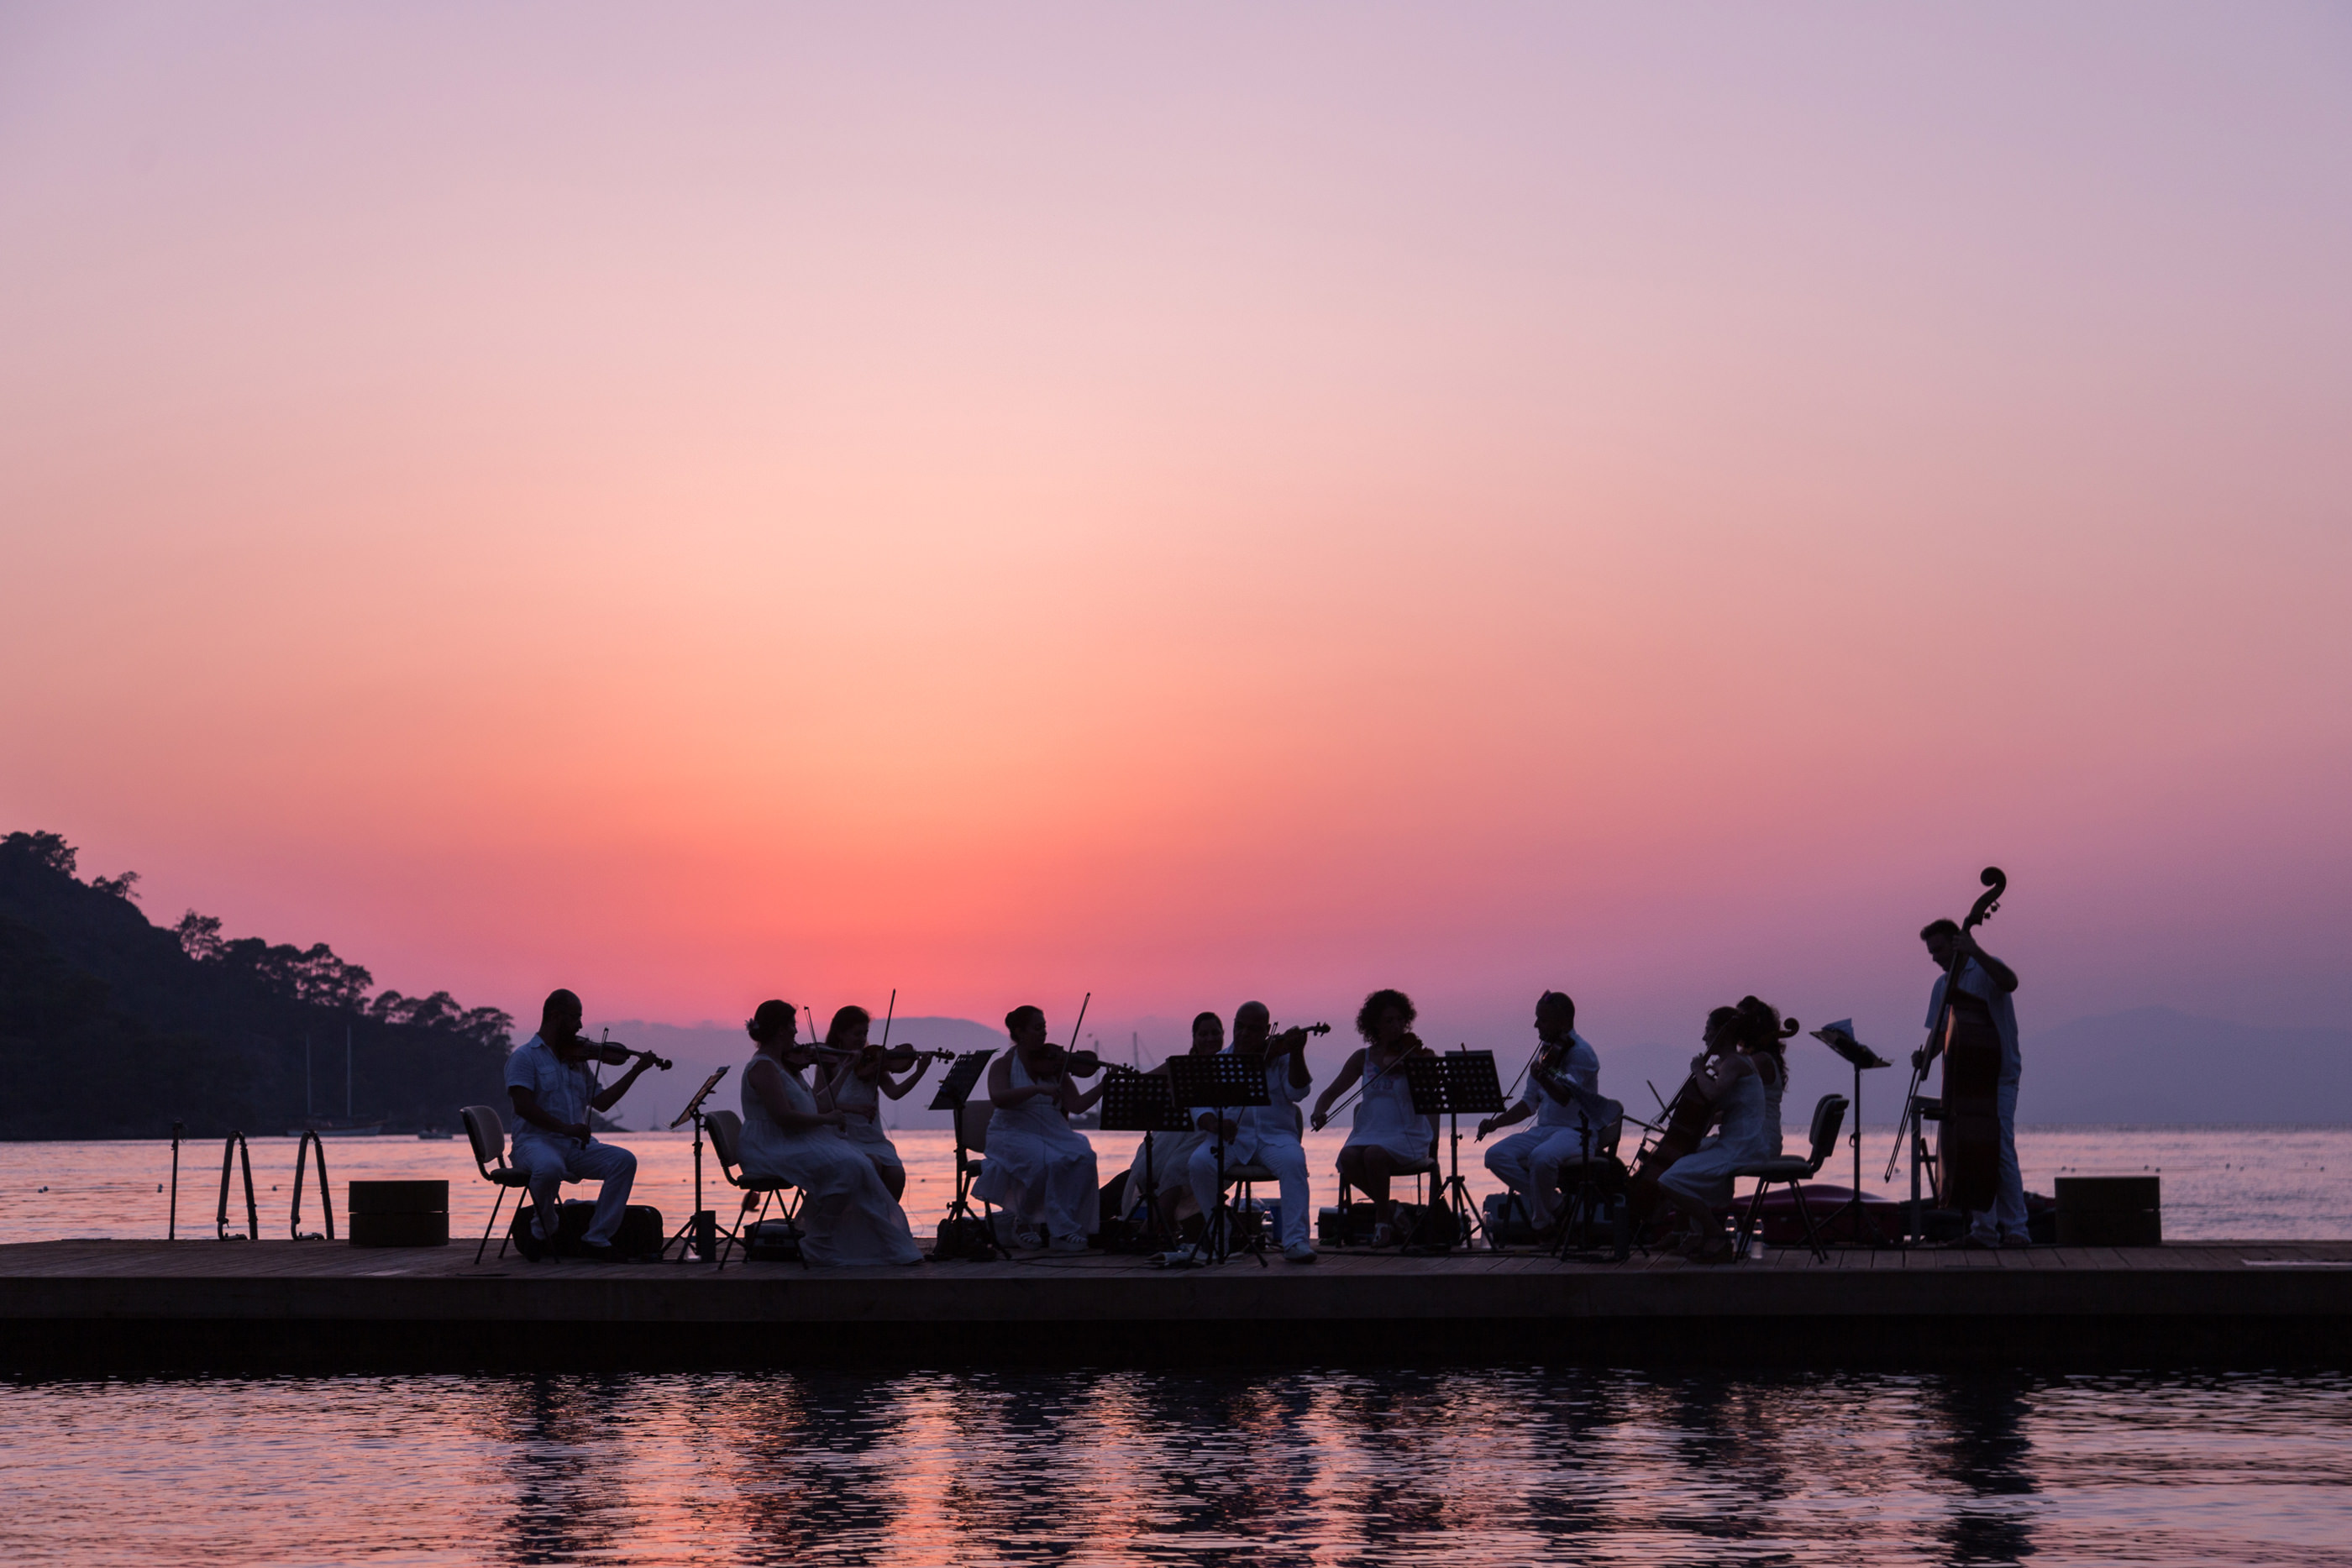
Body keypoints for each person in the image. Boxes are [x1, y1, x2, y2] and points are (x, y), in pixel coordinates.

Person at [737, 999, 923, 1266]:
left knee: (858, 1163)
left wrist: (845, 1070)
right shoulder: (764, 1067)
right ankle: (819, 1239)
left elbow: (818, 1102)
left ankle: (834, 1234)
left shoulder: (785, 1067)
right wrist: (826, 1118)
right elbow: (783, 1117)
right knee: (851, 1165)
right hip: (770, 1145)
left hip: (788, 1140)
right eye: (792, 1025)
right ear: (780, 1030)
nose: (796, 1032)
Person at [502, 988, 654, 1261]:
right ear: (555, 1016)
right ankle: (544, 1227)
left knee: (623, 1161)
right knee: (549, 1168)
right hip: (533, 1143)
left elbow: (602, 1102)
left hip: (573, 1144)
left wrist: (635, 1071)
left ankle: (596, 1238)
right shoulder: (525, 1057)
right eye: (574, 1018)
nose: (581, 1026)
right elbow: (523, 1107)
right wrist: (564, 1128)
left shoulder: (577, 1061)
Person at [1178, 1002, 1320, 1266]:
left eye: (1253, 1030)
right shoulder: (1219, 1062)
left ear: (1267, 1030)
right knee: (1198, 1164)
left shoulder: (1281, 1057)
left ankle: (1296, 1242)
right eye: (1239, 1027)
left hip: (1275, 1138)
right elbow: (1200, 1106)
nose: (1243, 1034)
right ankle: (1220, 1238)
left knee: (1294, 1162)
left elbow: (1298, 1092)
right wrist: (1216, 1125)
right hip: (1231, 1139)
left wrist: (1297, 1052)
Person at [1916, 918, 2026, 1247]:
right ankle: (1984, 1230)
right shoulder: (1941, 985)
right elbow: (1938, 1037)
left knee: (2000, 1148)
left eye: (1937, 949)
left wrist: (1975, 950)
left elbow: (2010, 982)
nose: (1934, 957)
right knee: (1972, 1149)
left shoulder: (1985, 969)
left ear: (1955, 943)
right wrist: (1924, 1057)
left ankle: (2018, 1230)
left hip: (1999, 1072)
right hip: (1964, 1078)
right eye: (1930, 951)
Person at [1310, 989, 1436, 1248]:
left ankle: (1382, 1222)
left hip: (1406, 1133)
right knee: (1347, 1158)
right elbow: (1332, 1091)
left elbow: (1431, 1093)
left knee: (1374, 1156)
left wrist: (1416, 1069)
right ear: (1375, 1025)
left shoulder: (1416, 1055)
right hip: (1370, 1131)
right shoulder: (1362, 1058)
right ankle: (1391, 1209)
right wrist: (1319, 1111)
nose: (1396, 1026)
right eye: (1388, 1021)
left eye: (1400, 1020)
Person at [1652, 1004, 1779, 1264]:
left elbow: (1713, 1094)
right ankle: (1699, 1235)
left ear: (1722, 1033)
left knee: (1669, 1179)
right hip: (1738, 1142)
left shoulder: (1734, 1063)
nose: (1704, 1037)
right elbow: (1717, 1105)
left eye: (1708, 1030)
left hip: (1744, 1146)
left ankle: (1715, 1234)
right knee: (1684, 1165)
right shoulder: (1735, 1063)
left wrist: (1699, 1069)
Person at [974, 1005, 1104, 1251]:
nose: (1043, 1033)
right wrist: (1036, 1089)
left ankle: (1069, 1226)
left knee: (1086, 1157)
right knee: (1046, 1162)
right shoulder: (1002, 1065)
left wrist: (1104, 1086)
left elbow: (1076, 1105)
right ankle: (1026, 1224)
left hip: (1053, 1132)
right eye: (1037, 1028)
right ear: (1019, 1032)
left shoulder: (1054, 1066)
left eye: (1044, 1027)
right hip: (1011, 1133)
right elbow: (999, 1098)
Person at [1478, 990, 1603, 1235]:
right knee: (1494, 1156)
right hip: (1545, 1131)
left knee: (1541, 1158)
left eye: (1542, 1019)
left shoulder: (1581, 1053)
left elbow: (1566, 1097)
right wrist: (1496, 1124)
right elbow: (1528, 1104)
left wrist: (1543, 1078)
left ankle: (1543, 1224)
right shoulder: (1547, 1051)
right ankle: (1556, 1204)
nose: (1536, 1024)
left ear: (1564, 1023)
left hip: (1577, 1132)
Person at [813, 1004, 938, 1202]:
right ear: (840, 1034)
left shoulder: (872, 1061)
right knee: (872, 1166)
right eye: (856, 1034)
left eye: (865, 1033)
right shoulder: (828, 1065)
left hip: (872, 1138)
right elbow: (819, 1105)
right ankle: (862, 1221)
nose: (862, 1039)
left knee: (897, 1175)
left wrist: (919, 1072)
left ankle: (884, 1222)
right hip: (842, 1139)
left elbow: (895, 1093)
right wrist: (853, 1108)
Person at [1122, 1011, 1226, 1238]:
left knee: (1176, 1170)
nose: (1210, 1039)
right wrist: (1127, 1079)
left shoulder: (1231, 1064)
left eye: (1215, 1033)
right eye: (1203, 1034)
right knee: (1145, 1168)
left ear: (1223, 1035)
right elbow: (1142, 1083)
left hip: (1210, 1134)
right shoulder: (1181, 1066)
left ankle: (1148, 1231)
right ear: (1194, 1038)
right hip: (1177, 1132)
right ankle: (1165, 1227)